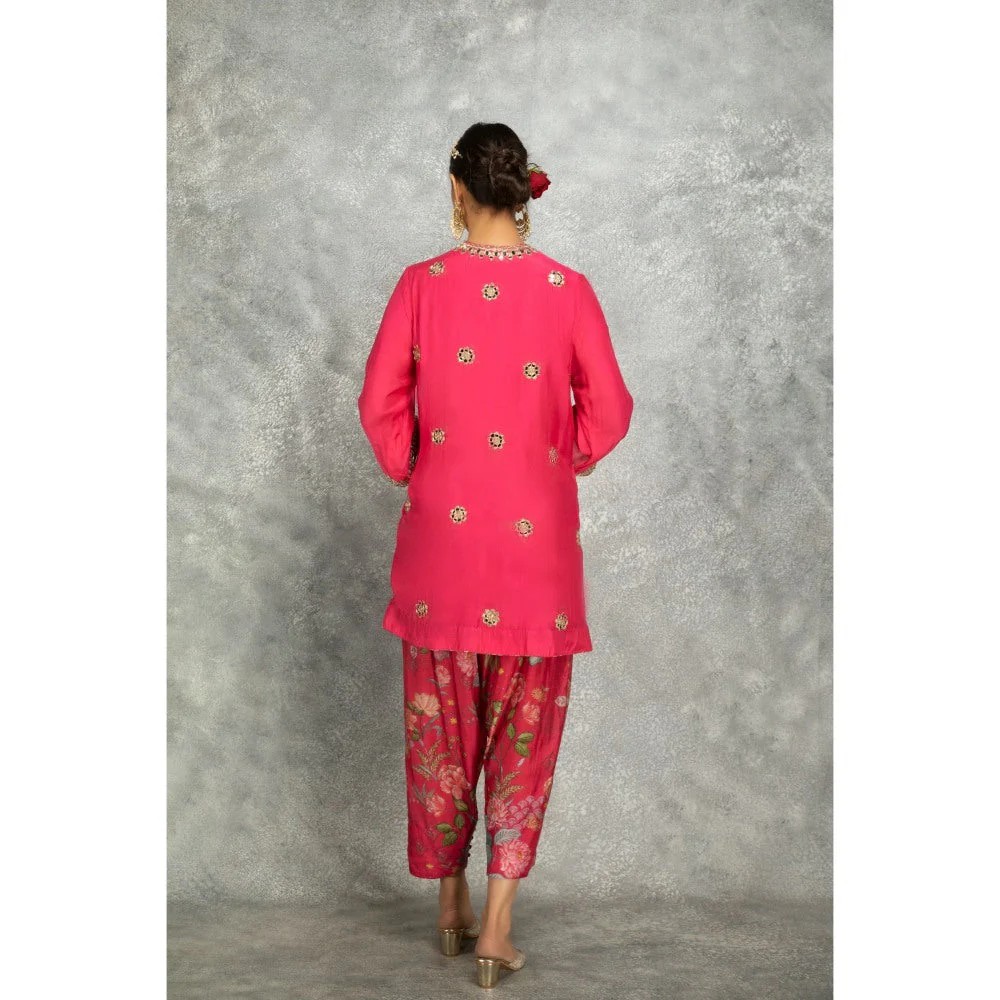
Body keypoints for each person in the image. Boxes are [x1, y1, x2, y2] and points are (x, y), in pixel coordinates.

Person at [357, 121, 633, 988]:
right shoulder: (568, 290)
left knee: (440, 730)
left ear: (457, 190)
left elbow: (379, 402)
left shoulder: (420, 285)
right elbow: (612, 407)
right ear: (521, 190)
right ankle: (497, 929)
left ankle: (450, 903)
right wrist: (561, 455)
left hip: (439, 553)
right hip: (535, 558)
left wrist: (416, 465)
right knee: (524, 738)